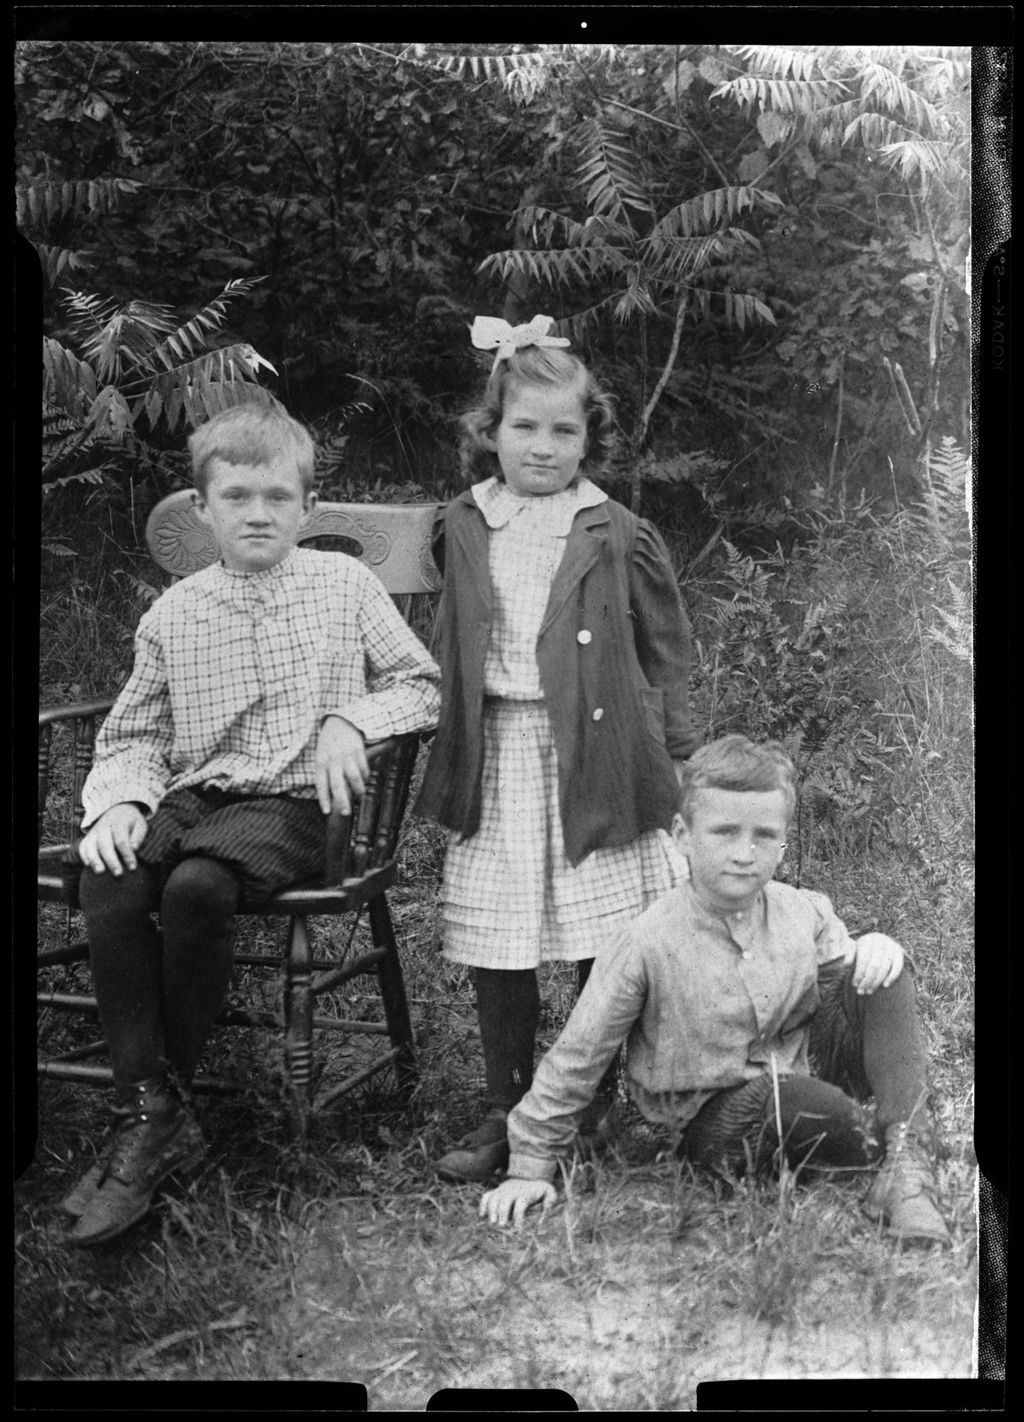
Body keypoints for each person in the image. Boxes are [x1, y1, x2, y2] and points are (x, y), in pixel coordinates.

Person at [64, 402, 441, 1246]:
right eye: (236, 497)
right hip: (200, 796)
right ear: (203, 510)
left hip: (303, 805)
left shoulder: (344, 585)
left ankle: (157, 1116)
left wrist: (354, 721)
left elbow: (421, 686)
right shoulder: (175, 614)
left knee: (200, 885)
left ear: (308, 508)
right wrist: (121, 799)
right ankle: (152, 1107)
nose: (259, 513)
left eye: (278, 496)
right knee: (111, 873)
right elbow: (136, 734)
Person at [415, 315, 700, 1183]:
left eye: (563, 430)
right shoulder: (462, 523)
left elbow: (668, 648)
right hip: (496, 751)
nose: (542, 447)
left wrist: (682, 750)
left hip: (596, 754)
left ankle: (582, 1101)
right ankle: (506, 1105)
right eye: (523, 428)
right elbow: (438, 631)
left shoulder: (615, 530)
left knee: (596, 936)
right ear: (490, 433)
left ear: (590, 438)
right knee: (501, 938)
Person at [479, 735, 950, 1246]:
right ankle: (891, 1128)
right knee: (810, 1106)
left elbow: (849, 999)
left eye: (764, 836)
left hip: (801, 1072)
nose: (745, 854)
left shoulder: (803, 910)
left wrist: (876, 946)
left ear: (783, 844)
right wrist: (528, 1165)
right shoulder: (646, 941)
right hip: (717, 1117)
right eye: (725, 832)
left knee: (886, 967)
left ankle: (905, 1172)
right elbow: (578, 1056)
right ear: (683, 835)